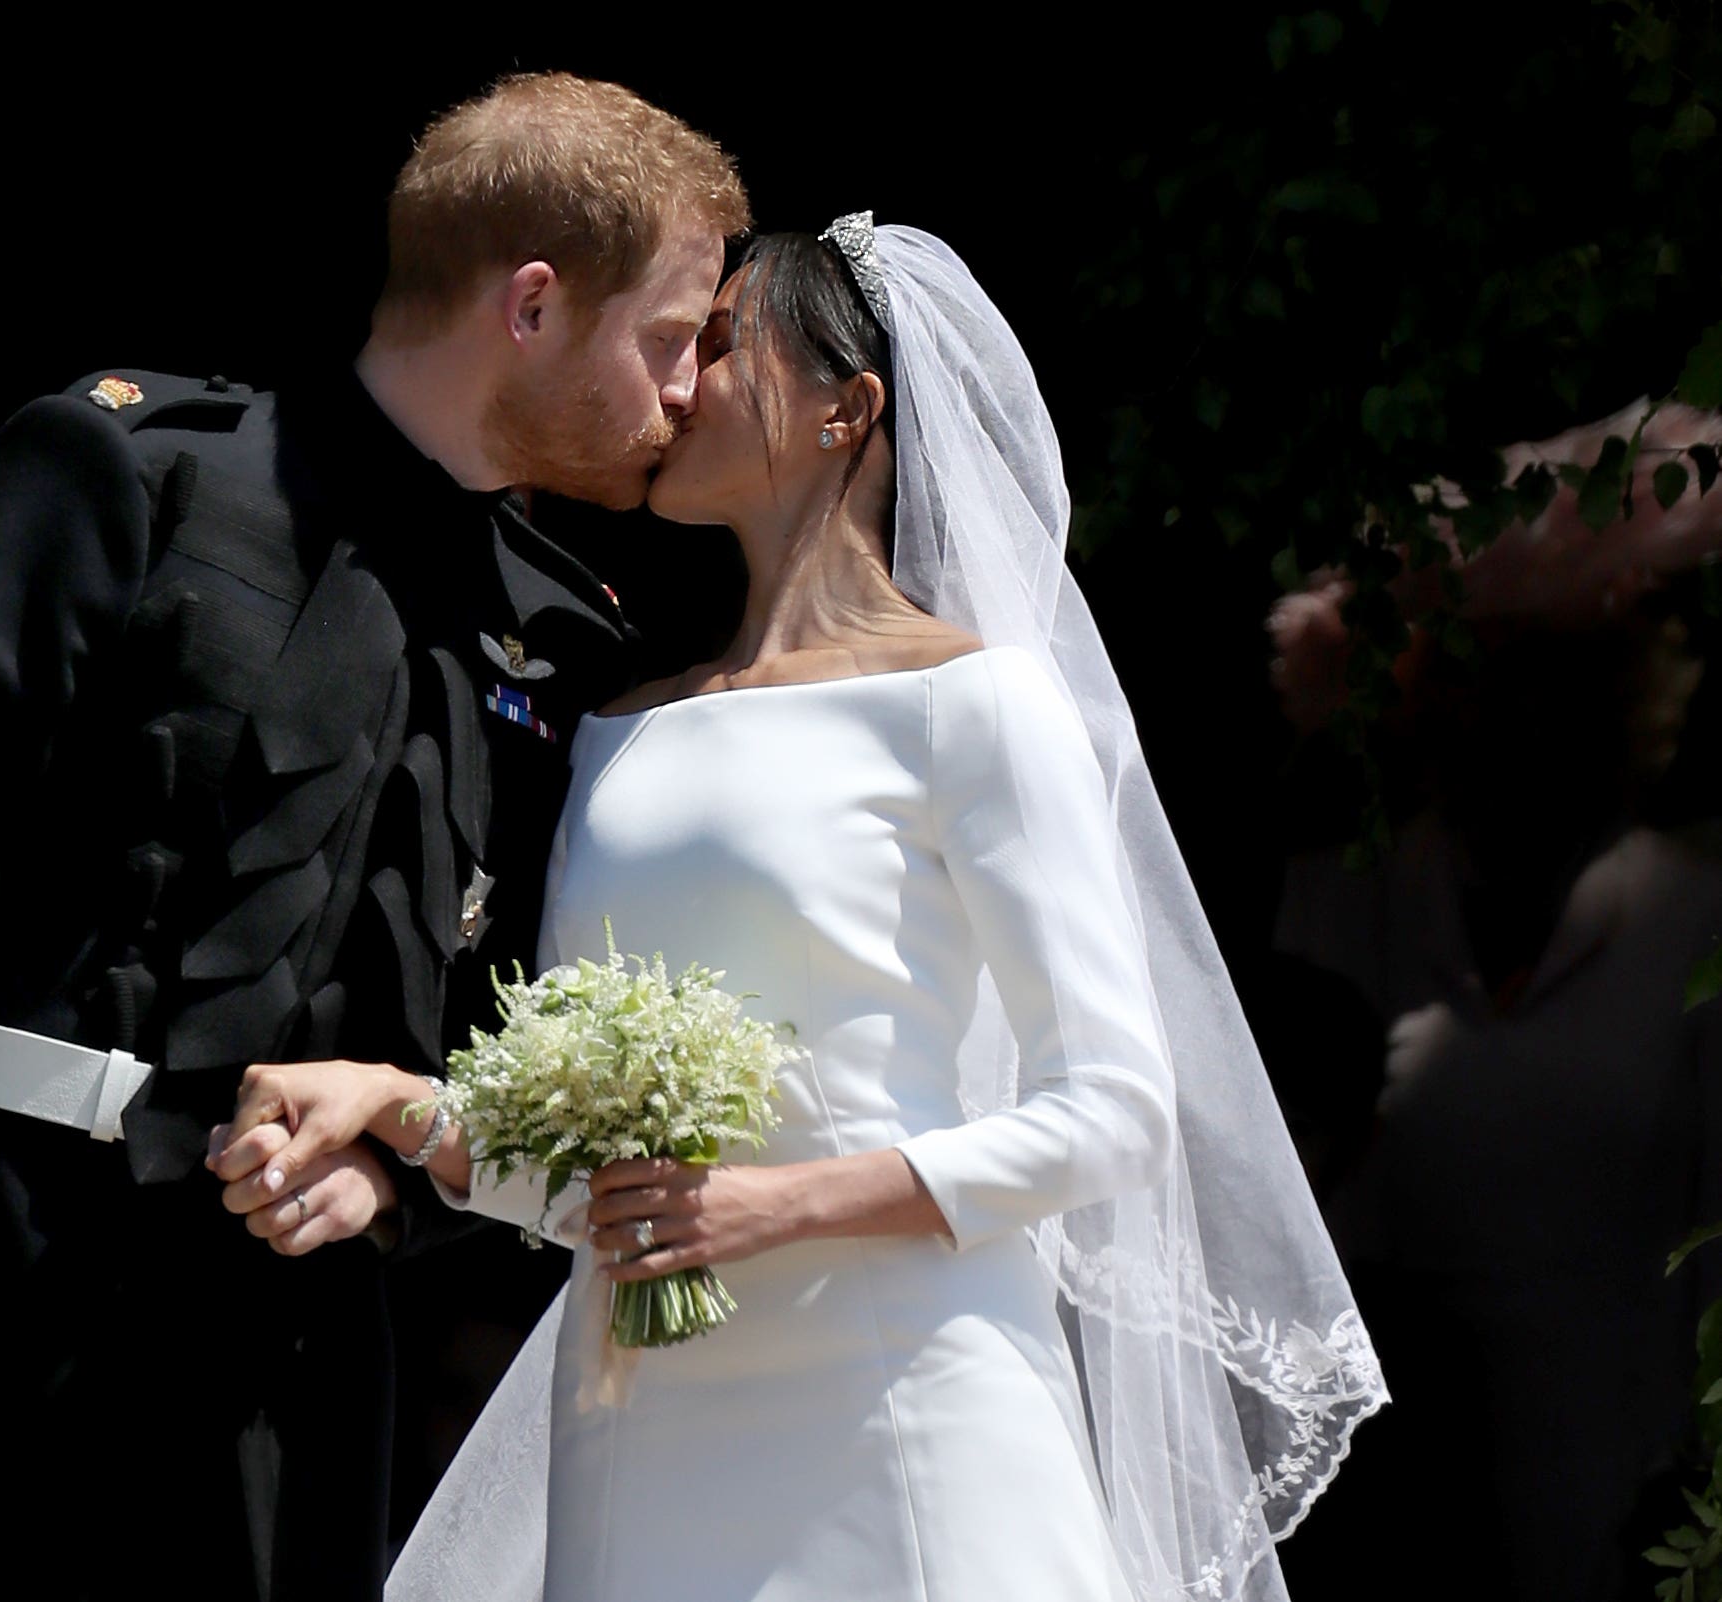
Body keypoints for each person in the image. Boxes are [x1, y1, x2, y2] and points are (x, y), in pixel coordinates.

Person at [0, 73, 748, 1602]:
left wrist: (398, 1186)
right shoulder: (122, 472)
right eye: (669, 336)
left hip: (284, 1362)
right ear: (531, 304)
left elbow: (507, 1032)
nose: (692, 387)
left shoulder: (560, 637)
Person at [211, 218, 1386, 1601]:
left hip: (902, 1405)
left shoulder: (975, 703)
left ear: (849, 409)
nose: (683, 380)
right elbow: (596, 1180)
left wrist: (777, 1201)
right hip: (640, 1421)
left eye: (723, 343)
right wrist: (400, 1104)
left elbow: (1114, 1107)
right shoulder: (622, 728)